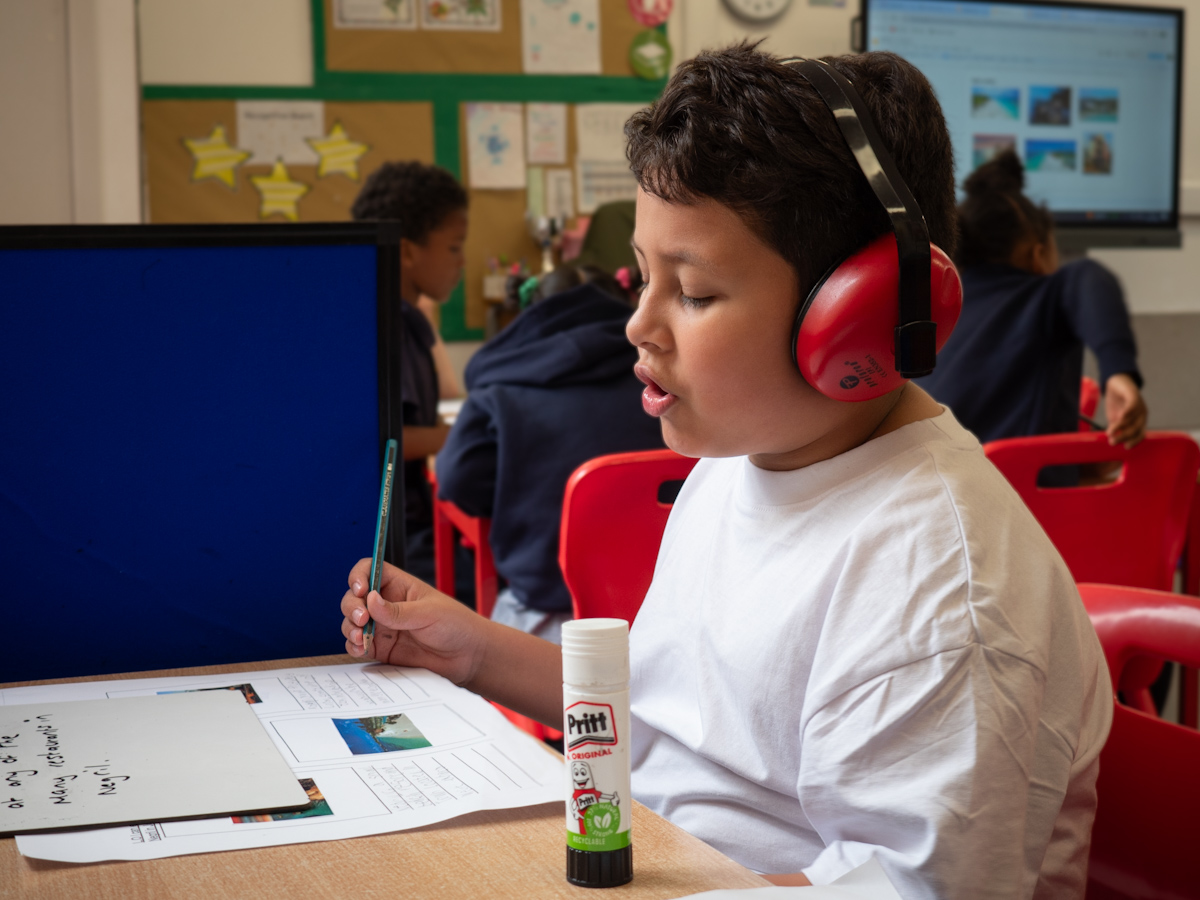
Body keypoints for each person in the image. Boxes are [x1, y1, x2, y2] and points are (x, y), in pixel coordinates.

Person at [341, 45, 1111, 898]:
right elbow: (668, 719)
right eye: (642, 276)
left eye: (694, 293)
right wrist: (469, 648)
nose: (638, 325)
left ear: (860, 313)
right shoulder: (741, 461)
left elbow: (906, 889)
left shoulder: (942, 593)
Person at [434, 265, 664, 643]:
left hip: (546, 621)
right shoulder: (663, 382)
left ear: (533, 313)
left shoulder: (500, 388)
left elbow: (457, 480)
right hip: (661, 612)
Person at [917, 149, 1146, 448]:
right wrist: (1118, 370)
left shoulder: (937, 313)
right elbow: (1085, 275)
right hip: (1008, 477)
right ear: (1038, 255)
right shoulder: (1044, 299)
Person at [351, 161, 469, 593]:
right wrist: (454, 436)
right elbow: (387, 438)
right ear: (406, 251)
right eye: (453, 248)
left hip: (412, 522)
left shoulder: (407, 320)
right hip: (395, 539)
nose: (462, 262)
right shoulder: (383, 327)